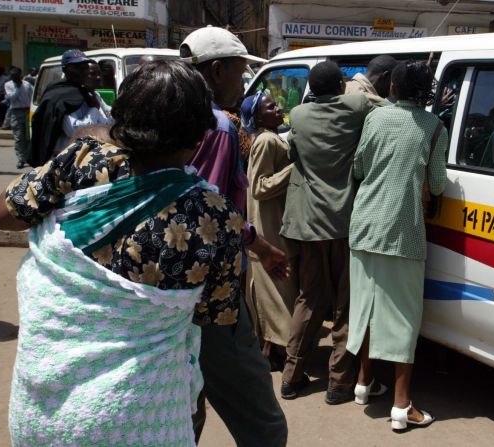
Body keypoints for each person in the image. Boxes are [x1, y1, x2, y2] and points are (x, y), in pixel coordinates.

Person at [0, 60, 289, 447]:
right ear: (200, 134)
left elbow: (3, 215)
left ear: (121, 121)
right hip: (139, 420)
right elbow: (214, 321)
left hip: (43, 410)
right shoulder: (216, 219)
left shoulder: (84, 161)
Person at [180, 25, 289, 447]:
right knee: (265, 427)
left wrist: (258, 245)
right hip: (214, 298)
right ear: (217, 70)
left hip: (170, 290)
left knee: (189, 408)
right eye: (241, 73)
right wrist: (255, 244)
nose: (244, 83)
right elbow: (208, 211)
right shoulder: (219, 127)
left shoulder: (171, 120)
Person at [346, 60, 447, 430]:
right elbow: (437, 184)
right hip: (402, 232)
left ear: (393, 89)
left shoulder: (376, 119)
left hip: (363, 226)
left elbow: (358, 166)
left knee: (367, 309)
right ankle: (402, 407)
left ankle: (362, 383)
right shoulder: (435, 128)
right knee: (404, 318)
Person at [279, 61, 376, 404]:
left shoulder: (299, 115)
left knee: (309, 299)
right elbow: (383, 106)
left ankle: (291, 376)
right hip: (344, 224)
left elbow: (293, 153)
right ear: (340, 85)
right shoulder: (356, 106)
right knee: (345, 306)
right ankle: (338, 383)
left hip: (308, 226)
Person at [241, 92, 297, 370]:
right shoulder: (265, 140)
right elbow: (260, 187)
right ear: (257, 116)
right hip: (268, 224)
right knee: (278, 289)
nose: (278, 109)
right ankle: (285, 351)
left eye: (276, 105)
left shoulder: (271, 138)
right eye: (270, 107)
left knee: (273, 289)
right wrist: (296, 169)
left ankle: (273, 348)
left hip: (271, 221)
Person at [29, 50, 112, 167]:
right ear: (66, 69)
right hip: (67, 161)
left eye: (84, 66)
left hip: (91, 156)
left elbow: (107, 120)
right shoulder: (61, 96)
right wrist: (94, 109)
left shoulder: (89, 93)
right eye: (76, 67)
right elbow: (75, 131)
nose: (82, 70)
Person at [4, 67, 34, 169]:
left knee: (28, 136)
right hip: (16, 112)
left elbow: (32, 97)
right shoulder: (8, 85)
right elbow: (11, 98)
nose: (15, 79)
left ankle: (29, 157)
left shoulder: (27, 84)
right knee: (19, 137)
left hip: (27, 111)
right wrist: (17, 87)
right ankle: (21, 159)